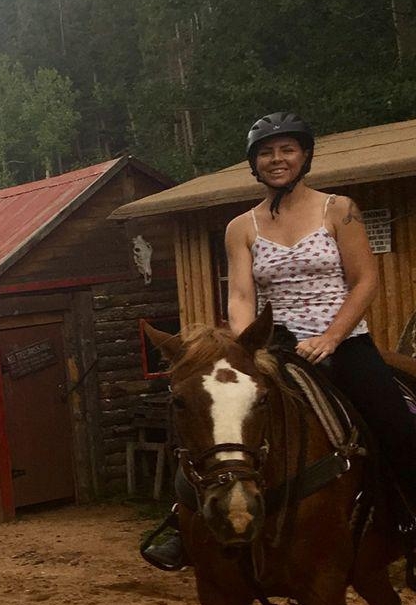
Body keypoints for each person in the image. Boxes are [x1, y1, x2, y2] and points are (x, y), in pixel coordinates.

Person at [142, 111, 416, 571]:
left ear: (305, 155)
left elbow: (365, 280)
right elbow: (241, 295)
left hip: (344, 341)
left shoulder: (340, 209)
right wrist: (244, 348)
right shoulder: (241, 227)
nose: (277, 159)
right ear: (255, 164)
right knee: (213, 419)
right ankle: (183, 522)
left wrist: (332, 336)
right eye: (266, 152)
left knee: (398, 425)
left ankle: (410, 524)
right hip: (276, 346)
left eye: (287, 149)